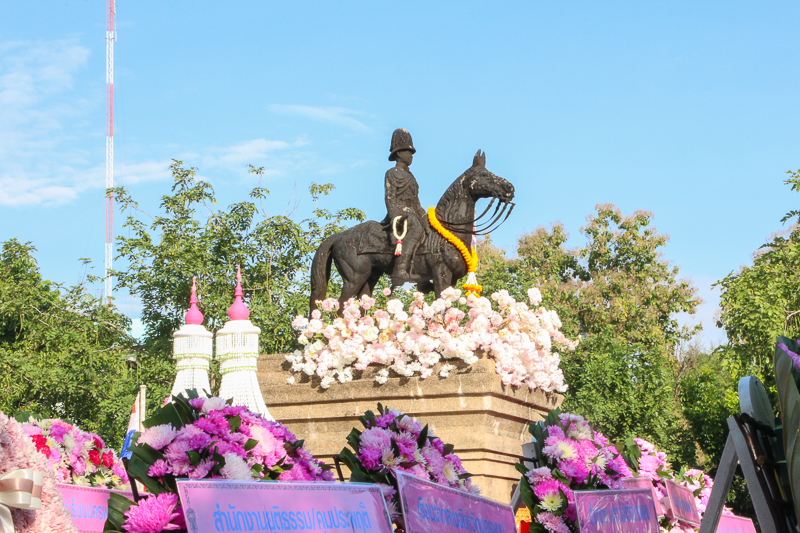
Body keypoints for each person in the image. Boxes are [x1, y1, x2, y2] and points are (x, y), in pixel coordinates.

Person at [384, 128, 427, 285]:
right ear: (399, 153)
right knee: (416, 227)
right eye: (408, 152)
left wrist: (426, 216)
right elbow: (390, 198)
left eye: (412, 153)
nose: (411, 156)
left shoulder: (411, 177)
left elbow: (416, 203)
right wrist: (396, 216)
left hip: (413, 213)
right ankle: (400, 269)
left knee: (428, 227)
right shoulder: (392, 173)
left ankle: (420, 270)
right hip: (400, 215)